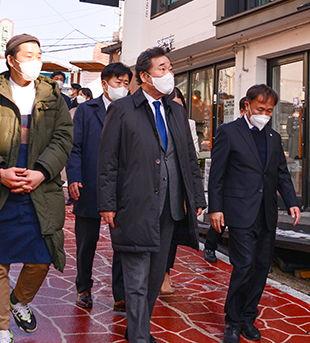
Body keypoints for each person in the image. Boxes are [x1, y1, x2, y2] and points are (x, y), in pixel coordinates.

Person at [97, 46, 205, 343]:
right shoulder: (122, 110)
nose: (169, 74)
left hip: (170, 206)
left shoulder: (177, 111)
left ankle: (137, 329)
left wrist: (197, 196)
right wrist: (107, 203)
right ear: (145, 76)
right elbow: (107, 161)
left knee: (156, 276)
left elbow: (188, 157)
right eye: (162, 68)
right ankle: (140, 337)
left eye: (170, 68)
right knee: (136, 277)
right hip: (135, 205)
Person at [0, 34, 74, 343]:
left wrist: (42, 172)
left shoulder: (54, 96)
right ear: (11, 60)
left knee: (42, 256)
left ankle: (19, 300)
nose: (35, 61)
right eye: (28, 55)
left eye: (38, 55)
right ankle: (1, 329)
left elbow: (63, 138)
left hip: (40, 187)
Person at [208, 84, 300, 343]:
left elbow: (281, 173)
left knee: (260, 268)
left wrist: (291, 202)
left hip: (266, 213)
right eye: (260, 109)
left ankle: (249, 318)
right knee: (244, 265)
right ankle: (233, 321)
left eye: (269, 111)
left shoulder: (273, 137)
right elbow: (217, 175)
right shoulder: (229, 132)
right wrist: (216, 208)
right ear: (247, 106)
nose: (264, 114)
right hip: (239, 212)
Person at [66, 62, 132, 312]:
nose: (122, 87)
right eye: (118, 82)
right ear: (104, 84)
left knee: (122, 244)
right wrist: (74, 177)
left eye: (126, 83)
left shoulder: (132, 110)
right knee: (86, 243)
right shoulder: (86, 110)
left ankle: (121, 294)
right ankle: (83, 288)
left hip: (122, 187)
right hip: (90, 184)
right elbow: (74, 147)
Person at [162, 87, 200, 295]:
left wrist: (196, 197)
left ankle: (165, 273)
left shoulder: (188, 123)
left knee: (171, 233)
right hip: (155, 184)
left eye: (181, 106)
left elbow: (193, 155)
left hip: (178, 184)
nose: (177, 110)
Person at [203, 96, 248, 265]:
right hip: (229, 186)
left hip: (245, 189)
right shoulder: (229, 131)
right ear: (242, 110)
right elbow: (219, 165)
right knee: (221, 222)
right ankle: (209, 247)